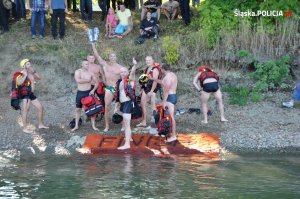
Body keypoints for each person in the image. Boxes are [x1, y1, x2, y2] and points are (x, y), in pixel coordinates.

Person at [91, 43, 123, 132]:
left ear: (116, 57)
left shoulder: (120, 67)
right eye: (111, 56)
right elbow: (97, 56)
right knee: (107, 106)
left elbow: (126, 78)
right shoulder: (105, 64)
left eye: (114, 56)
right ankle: (107, 126)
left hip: (117, 88)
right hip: (109, 88)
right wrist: (93, 45)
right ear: (109, 57)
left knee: (122, 106)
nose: (112, 58)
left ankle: (123, 124)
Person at [16, 59, 49, 133]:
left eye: (30, 64)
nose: (30, 65)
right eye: (28, 64)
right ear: (23, 66)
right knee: (25, 110)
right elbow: (19, 83)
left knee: (40, 107)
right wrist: (24, 75)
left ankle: (40, 124)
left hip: (31, 94)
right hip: (25, 94)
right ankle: (25, 128)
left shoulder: (31, 72)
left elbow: (39, 78)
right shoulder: (21, 73)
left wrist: (33, 71)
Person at [150, 63, 177, 142]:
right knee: (170, 117)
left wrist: (164, 102)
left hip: (169, 97)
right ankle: (172, 135)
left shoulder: (168, 77)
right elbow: (163, 82)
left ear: (163, 69)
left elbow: (167, 90)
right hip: (173, 96)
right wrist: (153, 79)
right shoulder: (172, 74)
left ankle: (173, 135)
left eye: (161, 69)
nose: (160, 70)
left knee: (170, 117)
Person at [115, 58, 138, 150]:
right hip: (123, 104)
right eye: (121, 72)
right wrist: (117, 106)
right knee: (125, 122)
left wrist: (134, 66)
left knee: (127, 124)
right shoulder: (120, 82)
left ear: (127, 73)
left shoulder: (130, 80)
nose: (123, 73)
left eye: (125, 72)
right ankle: (130, 138)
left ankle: (127, 144)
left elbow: (132, 73)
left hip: (128, 103)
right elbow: (119, 95)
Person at [72, 60, 99, 131]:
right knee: (78, 109)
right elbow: (78, 80)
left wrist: (93, 90)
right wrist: (88, 80)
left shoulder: (90, 73)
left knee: (92, 109)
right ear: (82, 64)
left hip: (88, 93)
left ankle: (93, 126)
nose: (87, 65)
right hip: (80, 93)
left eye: (88, 64)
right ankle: (76, 125)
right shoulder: (78, 71)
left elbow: (96, 83)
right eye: (86, 64)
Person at [137, 56, 160, 128]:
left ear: (153, 60)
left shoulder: (155, 69)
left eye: (149, 60)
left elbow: (155, 81)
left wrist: (152, 91)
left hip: (153, 89)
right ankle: (144, 121)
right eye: (146, 60)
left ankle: (154, 123)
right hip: (146, 88)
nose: (147, 62)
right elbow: (144, 80)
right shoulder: (146, 69)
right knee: (142, 103)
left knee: (153, 106)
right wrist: (142, 90)